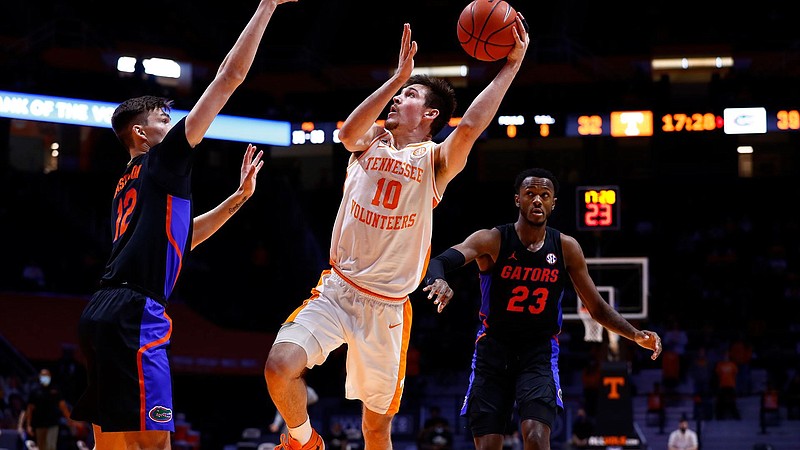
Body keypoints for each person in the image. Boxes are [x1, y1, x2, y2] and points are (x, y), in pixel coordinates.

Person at [263, 18, 530, 450]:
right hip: (337, 289)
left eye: (408, 95)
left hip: (386, 307)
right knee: (278, 366)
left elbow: (470, 126)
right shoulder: (372, 138)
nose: (397, 99)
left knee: (375, 429)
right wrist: (396, 79)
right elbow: (346, 132)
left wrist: (510, 65)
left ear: (429, 115)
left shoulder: (436, 160)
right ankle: (303, 440)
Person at [69, 1, 295, 448]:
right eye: (162, 120)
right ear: (141, 133)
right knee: (155, 443)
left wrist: (237, 200)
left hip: (101, 310)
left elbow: (182, 239)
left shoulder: (127, 182)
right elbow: (229, 77)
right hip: (136, 311)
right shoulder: (164, 157)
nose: (173, 126)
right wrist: (266, 6)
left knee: (110, 444)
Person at [422, 168, 662, 450]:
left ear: (553, 203)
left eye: (544, 196)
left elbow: (596, 307)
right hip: (493, 352)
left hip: (538, 354)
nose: (537, 200)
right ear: (517, 200)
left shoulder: (566, 247)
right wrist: (438, 279)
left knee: (536, 437)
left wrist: (634, 335)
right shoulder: (493, 240)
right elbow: (440, 261)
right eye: (530, 194)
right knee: (488, 445)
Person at [25, 369, 74, 450]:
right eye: (43, 376)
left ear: (50, 377)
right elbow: (29, 409)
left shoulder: (55, 390)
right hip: (39, 424)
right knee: (42, 447)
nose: (45, 378)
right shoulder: (35, 391)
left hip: (53, 423)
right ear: (40, 377)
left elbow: (62, 406)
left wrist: (69, 419)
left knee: (50, 446)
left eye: (47, 375)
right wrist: (28, 425)